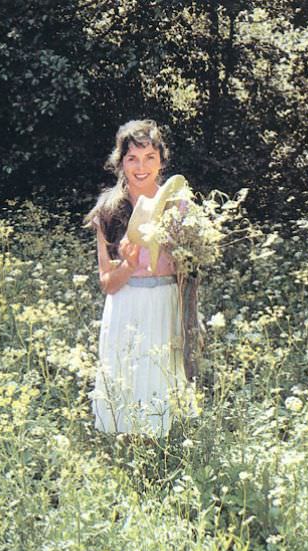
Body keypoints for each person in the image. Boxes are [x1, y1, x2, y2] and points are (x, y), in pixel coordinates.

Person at [87, 119, 195, 437]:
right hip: (126, 305)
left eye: (149, 157)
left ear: (161, 160)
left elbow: (191, 268)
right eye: (132, 158)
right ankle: (123, 445)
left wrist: (181, 253)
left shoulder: (180, 206)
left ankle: (166, 445)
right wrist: (128, 265)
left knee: (161, 373)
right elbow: (107, 283)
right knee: (128, 372)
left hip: (166, 303)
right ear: (120, 163)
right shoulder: (109, 211)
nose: (141, 166)